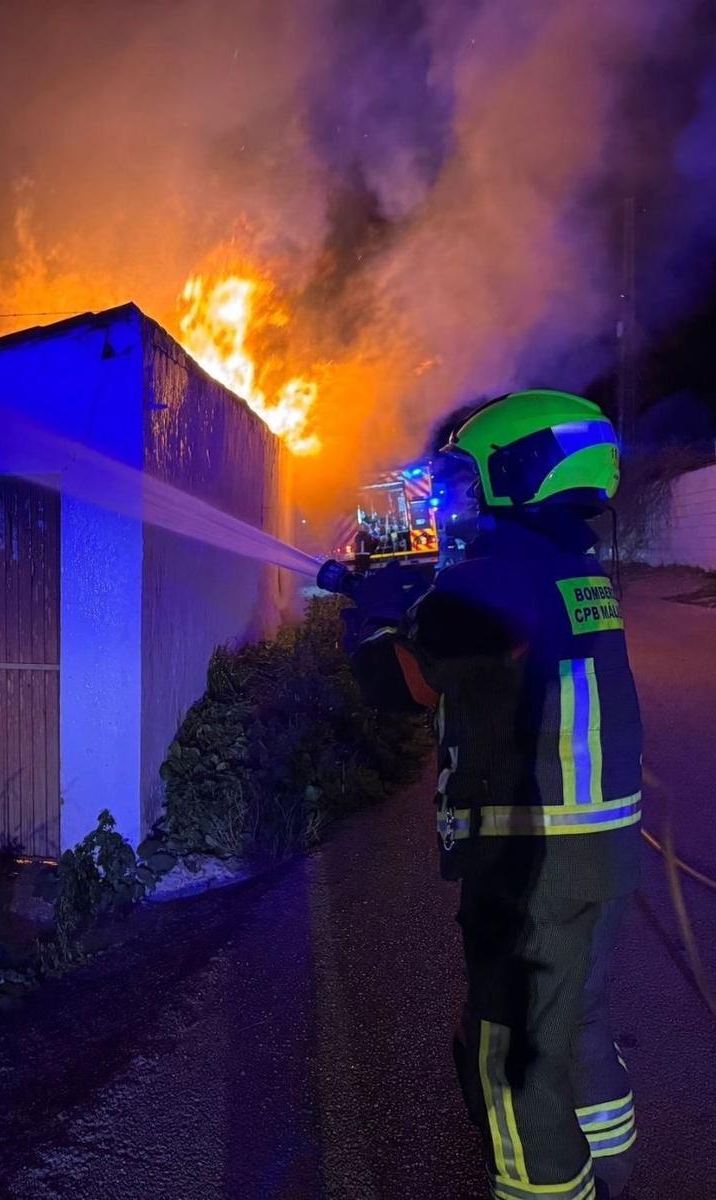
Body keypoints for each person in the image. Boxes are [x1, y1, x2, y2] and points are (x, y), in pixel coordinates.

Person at [349, 391, 640, 1200]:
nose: (454, 499)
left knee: (509, 1054)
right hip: (599, 853)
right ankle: (610, 1170)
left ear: (519, 471)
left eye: (464, 480)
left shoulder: (491, 579)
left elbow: (400, 684)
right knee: (577, 1022)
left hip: (530, 865)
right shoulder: (574, 569)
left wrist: (372, 613)